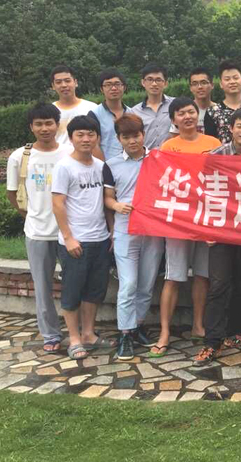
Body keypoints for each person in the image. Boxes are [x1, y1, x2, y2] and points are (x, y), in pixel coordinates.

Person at [150, 98, 222, 357]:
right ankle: (164, 332)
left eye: (191, 111)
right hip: (178, 220)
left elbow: (222, 179)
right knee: (174, 276)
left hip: (206, 218)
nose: (187, 116)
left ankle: (198, 325)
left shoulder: (214, 144)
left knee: (202, 275)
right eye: (181, 113)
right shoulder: (168, 147)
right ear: (174, 120)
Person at [194, 109, 241, 366]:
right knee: (219, 284)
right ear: (231, 128)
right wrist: (207, 228)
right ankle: (212, 342)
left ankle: (235, 332)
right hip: (221, 231)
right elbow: (203, 193)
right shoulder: (216, 156)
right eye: (240, 126)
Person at [6, 102, 71, 354]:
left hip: (68, 232)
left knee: (75, 283)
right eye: (39, 124)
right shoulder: (19, 157)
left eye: (49, 123)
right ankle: (51, 334)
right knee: (42, 287)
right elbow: (12, 193)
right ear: (31, 127)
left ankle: (77, 331)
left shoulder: (69, 152)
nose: (44, 128)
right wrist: (30, 215)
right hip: (37, 232)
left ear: (57, 125)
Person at [51, 115, 113, 360]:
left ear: (97, 137)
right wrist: (68, 238)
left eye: (90, 134)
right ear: (71, 138)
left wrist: (111, 233)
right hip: (76, 241)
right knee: (72, 291)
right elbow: (58, 204)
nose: (86, 139)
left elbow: (106, 201)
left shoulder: (101, 166)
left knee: (94, 291)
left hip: (100, 238)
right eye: (80, 135)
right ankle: (74, 338)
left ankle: (88, 333)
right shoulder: (64, 167)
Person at [103, 113, 163, 360]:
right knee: (128, 284)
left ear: (143, 135)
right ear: (119, 139)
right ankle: (125, 333)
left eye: (136, 135)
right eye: (126, 137)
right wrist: (117, 206)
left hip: (153, 230)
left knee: (146, 283)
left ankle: (137, 325)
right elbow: (107, 198)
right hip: (125, 229)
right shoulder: (111, 165)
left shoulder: (158, 159)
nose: (132, 141)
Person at [204, 60, 241, 146]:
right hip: (222, 154)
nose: (232, 82)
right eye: (227, 79)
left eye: (235, 78)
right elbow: (210, 141)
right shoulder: (213, 112)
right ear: (221, 84)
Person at [49, 65, 98, 146]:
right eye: (58, 82)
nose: (64, 85)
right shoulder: (49, 110)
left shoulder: (92, 108)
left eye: (67, 81)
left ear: (75, 82)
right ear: (53, 86)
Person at [130, 63, 173, 150]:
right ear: (143, 82)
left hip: (171, 154)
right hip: (147, 156)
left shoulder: (175, 105)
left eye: (158, 80)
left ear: (165, 83)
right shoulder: (134, 112)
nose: (154, 84)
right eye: (150, 79)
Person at [88, 69, 129, 161]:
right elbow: (94, 145)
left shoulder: (132, 113)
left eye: (117, 84)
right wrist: (104, 166)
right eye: (108, 85)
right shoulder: (94, 114)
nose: (113, 88)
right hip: (106, 165)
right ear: (101, 89)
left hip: (131, 166)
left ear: (124, 87)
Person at [172, 67, 215, 136]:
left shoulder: (219, 110)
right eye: (195, 84)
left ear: (212, 85)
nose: (200, 87)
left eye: (204, 83)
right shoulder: (183, 111)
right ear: (190, 88)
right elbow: (175, 137)